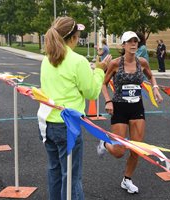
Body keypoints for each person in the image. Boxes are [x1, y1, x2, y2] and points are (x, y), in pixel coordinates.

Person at [39, 16, 111, 200]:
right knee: (71, 176)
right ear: (73, 37)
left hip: (47, 122)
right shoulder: (77, 61)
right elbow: (91, 92)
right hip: (68, 126)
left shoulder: (47, 59)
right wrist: (100, 69)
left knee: (54, 170)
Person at [97, 31, 163, 194]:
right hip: (119, 107)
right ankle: (105, 144)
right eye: (130, 41)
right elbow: (103, 84)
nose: (134, 44)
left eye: (136, 41)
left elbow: (151, 76)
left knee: (137, 148)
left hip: (136, 108)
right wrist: (108, 101)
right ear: (123, 45)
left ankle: (127, 179)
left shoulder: (142, 62)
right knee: (119, 152)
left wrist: (154, 88)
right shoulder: (114, 63)